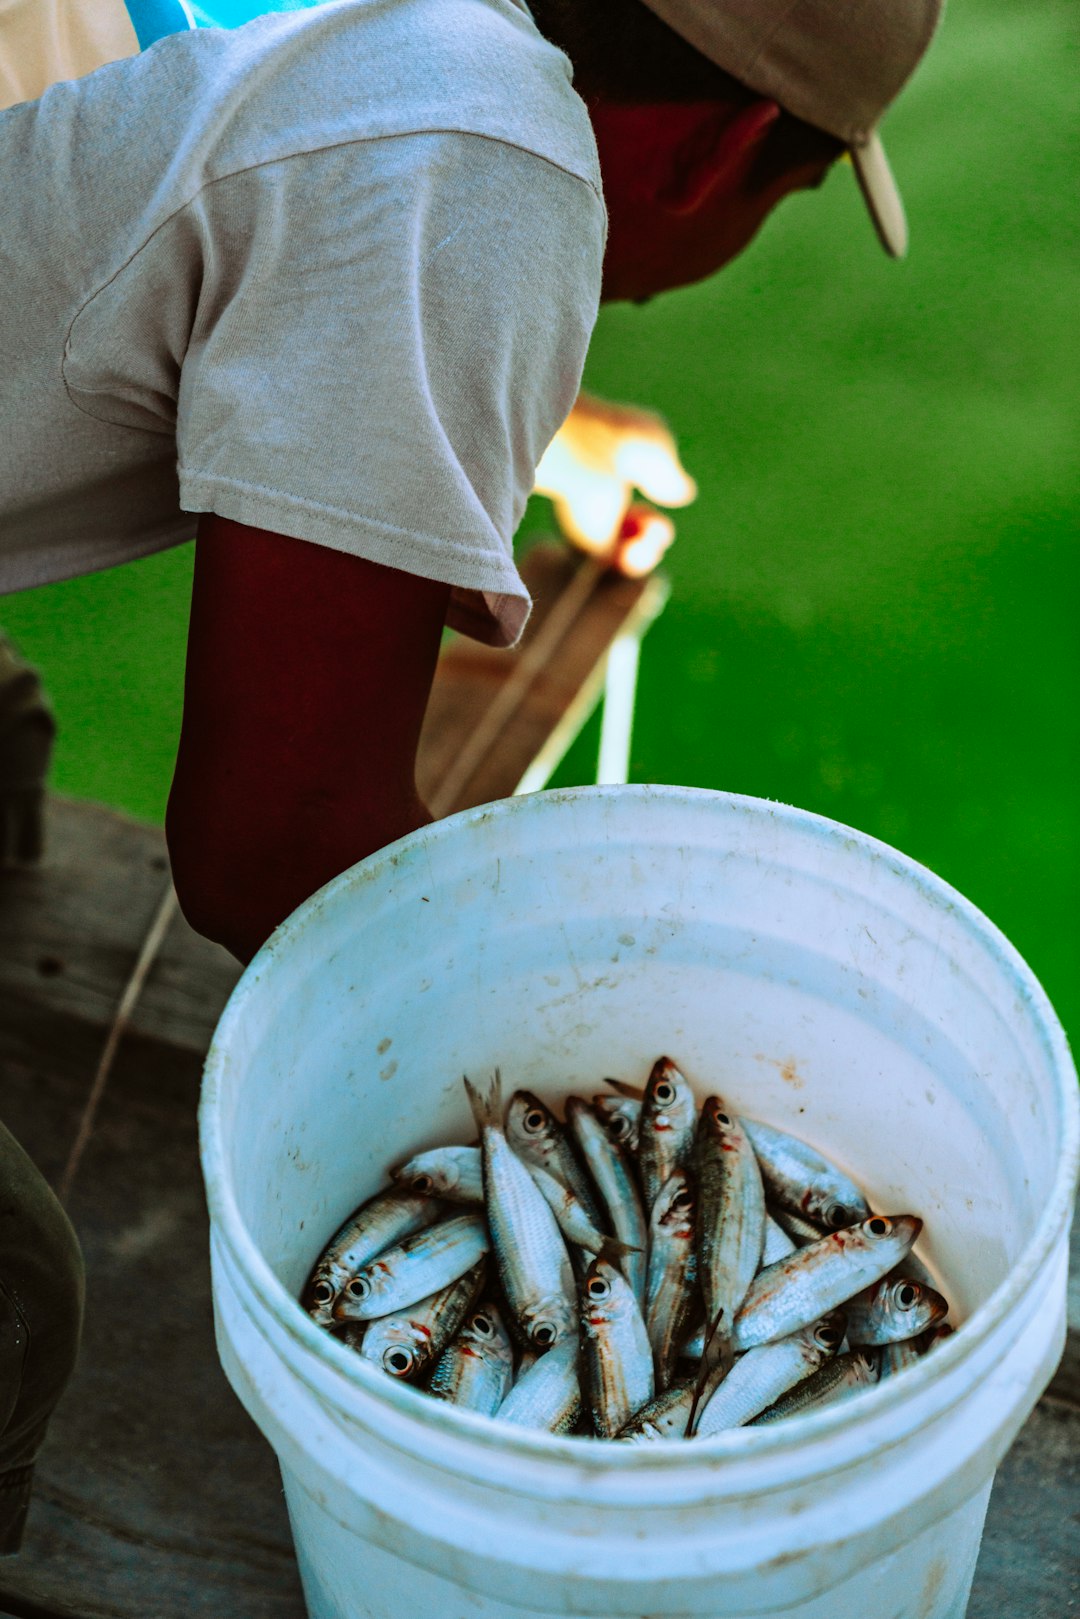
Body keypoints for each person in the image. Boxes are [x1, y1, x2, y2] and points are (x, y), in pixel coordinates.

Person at [0, 0, 942, 1556]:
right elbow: (266, 849)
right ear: (721, 151)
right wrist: (625, 1082)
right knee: (14, 1299)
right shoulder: (491, 163)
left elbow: (275, 172)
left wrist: (519, 423)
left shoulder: (423, 47)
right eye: (797, 192)